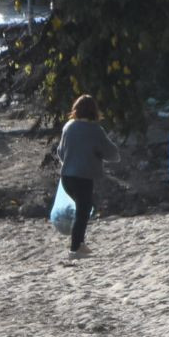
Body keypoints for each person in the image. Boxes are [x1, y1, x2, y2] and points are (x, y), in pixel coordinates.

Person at [56, 94, 119, 257]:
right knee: (83, 211)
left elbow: (60, 152)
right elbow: (112, 153)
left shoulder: (68, 126)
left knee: (82, 209)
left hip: (67, 177)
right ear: (94, 111)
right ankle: (75, 248)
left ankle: (80, 244)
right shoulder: (95, 130)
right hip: (83, 177)